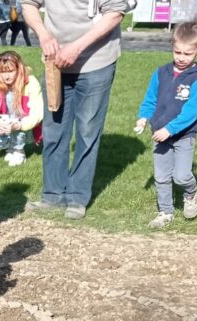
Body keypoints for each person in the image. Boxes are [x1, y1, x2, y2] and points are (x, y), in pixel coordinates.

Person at [20, 0, 135, 219]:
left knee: (87, 131)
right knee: (53, 130)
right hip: (54, 62)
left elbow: (115, 13)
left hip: (96, 63)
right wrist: (43, 35)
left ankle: (77, 197)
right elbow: (28, 5)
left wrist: (76, 47)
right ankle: (52, 195)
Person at [134, 20, 197, 228]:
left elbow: (192, 111)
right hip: (160, 134)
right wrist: (143, 117)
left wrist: (171, 129)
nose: (181, 58)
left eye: (187, 54)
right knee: (161, 176)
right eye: (177, 52)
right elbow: (150, 99)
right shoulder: (161, 73)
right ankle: (165, 212)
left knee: (182, 176)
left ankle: (190, 194)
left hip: (183, 135)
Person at [0, 50, 43, 166]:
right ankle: (10, 148)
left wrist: (20, 125)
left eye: (10, 71)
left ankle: (19, 151)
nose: (6, 76)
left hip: (27, 126)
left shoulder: (31, 83)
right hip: (6, 122)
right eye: (2, 72)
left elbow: (37, 113)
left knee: (16, 124)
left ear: (19, 70)